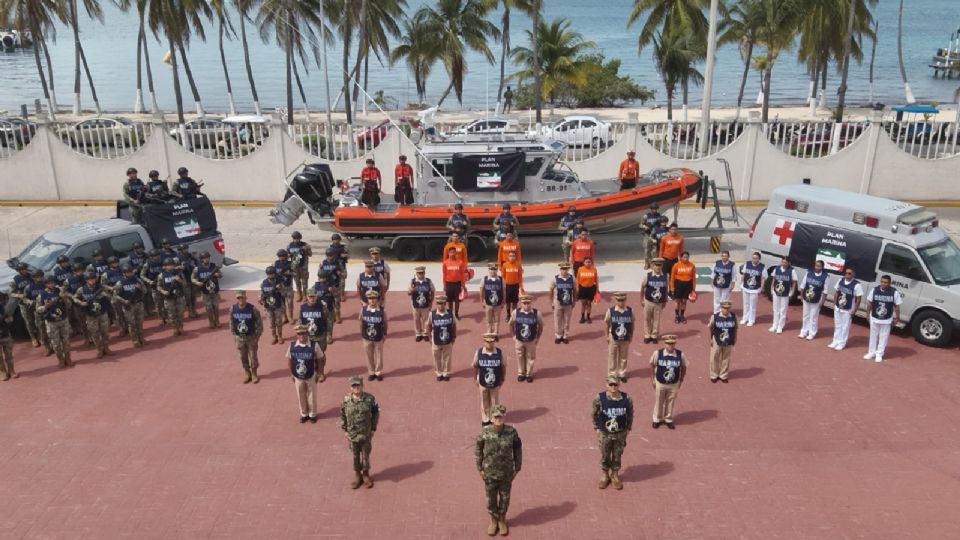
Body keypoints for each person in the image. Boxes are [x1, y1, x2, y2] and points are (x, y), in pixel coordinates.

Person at [474, 404, 522, 536]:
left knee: (505, 498)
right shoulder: (484, 432)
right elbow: (478, 449)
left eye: (500, 417)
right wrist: (479, 468)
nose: (498, 419)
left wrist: (517, 468)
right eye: (496, 417)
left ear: (504, 417)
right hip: (489, 472)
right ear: (491, 418)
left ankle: (502, 519)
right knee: (491, 498)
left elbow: (517, 450)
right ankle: (493, 520)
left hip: (506, 473)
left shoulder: (512, 432)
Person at [592, 376, 634, 490]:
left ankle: (615, 475)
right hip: (605, 434)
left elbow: (630, 414)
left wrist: (628, 428)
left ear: (619, 384)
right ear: (606, 385)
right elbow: (594, 414)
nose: (613, 387)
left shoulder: (626, 399)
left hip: (620, 434)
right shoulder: (599, 398)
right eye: (611, 384)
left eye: (615, 384)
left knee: (617, 455)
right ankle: (605, 475)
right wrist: (596, 427)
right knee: (605, 455)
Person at [340, 375, 380, 489]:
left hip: (365, 433)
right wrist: (345, 430)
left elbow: (376, 413)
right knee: (355, 455)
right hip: (352, 434)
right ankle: (357, 475)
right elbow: (342, 415)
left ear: (362, 386)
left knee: (366, 455)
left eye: (358, 385)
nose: (356, 387)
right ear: (350, 388)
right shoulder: (346, 400)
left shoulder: (370, 399)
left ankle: (366, 474)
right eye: (354, 386)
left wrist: (373, 428)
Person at [650, 335, 687, 429]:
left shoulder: (680, 354)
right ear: (665, 343)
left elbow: (684, 367)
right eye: (668, 343)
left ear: (675, 344)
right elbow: (652, 365)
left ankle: (668, 419)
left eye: (672, 343)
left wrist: (681, 379)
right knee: (659, 401)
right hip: (660, 383)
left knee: (670, 401)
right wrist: (652, 379)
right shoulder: (657, 353)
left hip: (673, 384)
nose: (670, 345)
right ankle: (657, 419)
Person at [288, 324, 322, 423]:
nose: (302, 336)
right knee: (300, 395)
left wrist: (319, 373)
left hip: (311, 375)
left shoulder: (314, 345)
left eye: (304, 334)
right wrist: (291, 373)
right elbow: (289, 360)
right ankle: (304, 414)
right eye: (299, 334)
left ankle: (312, 414)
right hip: (298, 376)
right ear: (297, 335)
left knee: (312, 395)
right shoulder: (292, 346)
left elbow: (320, 359)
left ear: (307, 334)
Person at [864, 275, 902, 363]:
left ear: (889, 283)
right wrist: (867, 314)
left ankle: (879, 354)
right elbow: (870, 303)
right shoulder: (874, 290)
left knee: (883, 337)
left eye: (885, 282)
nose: (883, 284)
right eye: (882, 282)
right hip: (874, 317)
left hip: (887, 319)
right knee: (873, 335)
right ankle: (871, 352)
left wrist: (897, 317)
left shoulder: (894, 292)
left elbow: (897, 306)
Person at [74, 272, 112, 358]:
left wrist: (106, 295)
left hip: (102, 313)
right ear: (86, 280)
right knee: (94, 333)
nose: (92, 280)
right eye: (89, 279)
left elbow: (111, 297)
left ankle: (106, 348)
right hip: (90, 314)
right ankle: (99, 349)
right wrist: (81, 302)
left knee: (105, 332)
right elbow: (75, 298)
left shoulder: (101, 287)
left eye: (93, 278)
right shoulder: (81, 289)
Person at [38, 276, 72, 368]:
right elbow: (38, 309)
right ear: (45, 284)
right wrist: (46, 306)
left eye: (52, 282)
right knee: (56, 343)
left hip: (63, 319)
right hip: (51, 322)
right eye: (49, 283)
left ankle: (68, 358)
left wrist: (64, 298)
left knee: (66, 341)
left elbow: (69, 305)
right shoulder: (42, 294)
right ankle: (60, 359)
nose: (51, 284)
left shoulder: (60, 291)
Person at [230, 290, 263, 384]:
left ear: (245, 297)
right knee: (242, 357)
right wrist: (234, 335)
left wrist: (257, 336)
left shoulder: (252, 309)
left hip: (251, 337)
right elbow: (231, 322)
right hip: (239, 338)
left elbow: (259, 323)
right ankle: (247, 372)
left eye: (242, 297)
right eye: (238, 298)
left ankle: (254, 373)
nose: (240, 299)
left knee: (253, 357)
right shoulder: (233, 309)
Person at [473, 333, 505, 426]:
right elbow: (475, 366)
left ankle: (493, 418)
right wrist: (475, 378)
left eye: (491, 342)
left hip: (495, 382)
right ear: (484, 342)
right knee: (484, 400)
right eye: (487, 342)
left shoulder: (500, 353)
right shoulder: (478, 352)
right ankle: (485, 419)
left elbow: (503, 367)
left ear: (494, 342)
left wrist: (502, 379)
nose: (489, 344)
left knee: (494, 401)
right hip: (482, 382)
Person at [829, 267, 863, 351]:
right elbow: (836, 292)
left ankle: (842, 343)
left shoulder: (857, 285)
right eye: (846, 273)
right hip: (838, 307)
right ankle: (835, 341)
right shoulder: (840, 280)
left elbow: (858, 299)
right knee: (837, 325)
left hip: (848, 309)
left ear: (853, 274)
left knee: (845, 327)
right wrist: (834, 304)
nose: (847, 275)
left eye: (849, 273)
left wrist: (855, 310)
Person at [114, 264, 147, 347]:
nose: (130, 274)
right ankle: (135, 340)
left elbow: (145, 291)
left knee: (139, 322)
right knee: (132, 324)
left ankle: (141, 338)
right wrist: (124, 301)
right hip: (129, 305)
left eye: (131, 272)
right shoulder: (120, 283)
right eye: (128, 272)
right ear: (124, 273)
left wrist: (140, 288)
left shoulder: (137, 280)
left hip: (138, 303)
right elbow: (116, 295)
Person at [512, 294, 542, 383]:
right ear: (521, 303)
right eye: (524, 303)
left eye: (528, 303)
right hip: (519, 340)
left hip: (531, 340)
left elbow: (541, 327)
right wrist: (513, 336)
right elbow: (511, 324)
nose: (526, 305)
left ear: (531, 303)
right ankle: (521, 373)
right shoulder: (515, 313)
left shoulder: (537, 313)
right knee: (520, 356)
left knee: (530, 357)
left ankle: (529, 374)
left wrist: (538, 338)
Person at [604, 292, 634, 382]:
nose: (621, 302)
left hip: (625, 337)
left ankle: (622, 373)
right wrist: (606, 336)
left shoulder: (630, 311)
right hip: (613, 337)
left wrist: (631, 335)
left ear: (625, 300)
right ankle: (612, 374)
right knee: (612, 356)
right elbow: (606, 323)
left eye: (623, 300)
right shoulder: (611, 311)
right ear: (615, 300)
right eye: (619, 300)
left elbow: (632, 324)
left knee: (623, 356)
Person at [707, 300, 737, 383]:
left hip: (728, 340)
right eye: (724, 308)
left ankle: (723, 375)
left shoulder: (733, 317)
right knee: (714, 357)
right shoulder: (715, 317)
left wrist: (735, 338)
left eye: (728, 308)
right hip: (716, 340)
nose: (726, 310)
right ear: (721, 308)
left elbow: (736, 328)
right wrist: (710, 338)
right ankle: (714, 375)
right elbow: (710, 327)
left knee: (726, 358)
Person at [360, 290, 387, 381]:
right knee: (368, 355)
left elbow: (385, 323)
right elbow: (360, 322)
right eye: (370, 298)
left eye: (374, 298)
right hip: (366, 337)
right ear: (367, 299)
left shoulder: (382, 311)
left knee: (379, 355)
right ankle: (371, 372)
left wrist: (385, 334)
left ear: (377, 299)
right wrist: (362, 334)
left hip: (378, 337)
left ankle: (378, 372)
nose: (372, 300)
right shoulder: (363, 310)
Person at [640, 258, 669, 343]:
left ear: (662, 266)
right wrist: (641, 299)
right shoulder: (648, 276)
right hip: (648, 301)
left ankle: (654, 335)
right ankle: (647, 335)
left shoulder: (665, 276)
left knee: (657, 319)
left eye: (659, 265)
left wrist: (665, 300)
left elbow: (665, 289)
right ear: (652, 266)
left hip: (659, 302)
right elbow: (642, 288)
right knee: (647, 318)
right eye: (656, 265)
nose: (658, 267)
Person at [429, 293, 456, 381]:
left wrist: (454, 337)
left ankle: (446, 373)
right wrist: (430, 338)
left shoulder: (450, 313)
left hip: (447, 340)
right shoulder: (432, 314)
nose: (440, 305)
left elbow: (454, 325)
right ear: (436, 304)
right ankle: (439, 373)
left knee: (447, 358)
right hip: (436, 340)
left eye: (442, 303)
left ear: (445, 304)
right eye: (439, 303)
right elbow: (428, 326)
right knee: (436, 357)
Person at [191, 252, 222, 329]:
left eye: (208, 257)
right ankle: (211, 321)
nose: (206, 259)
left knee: (216, 306)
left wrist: (218, 275)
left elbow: (221, 275)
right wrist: (198, 283)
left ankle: (217, 320)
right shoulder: (197, 268)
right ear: (201, 259)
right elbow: (192, 278)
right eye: (205, 258)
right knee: (209, 308)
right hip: (205, 291)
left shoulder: (213, 266)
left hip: (214, 290)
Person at [798, 260, 828, 340]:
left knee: (813, 317)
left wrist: (822, 302)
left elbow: (825, 291)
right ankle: (804, 331)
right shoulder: (808, 273)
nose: (817, 267)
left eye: (819, 266)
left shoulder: (825, 277)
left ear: (822, 267)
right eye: (816, 265)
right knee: (805, 315)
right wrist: (801, 296)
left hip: (816, 300)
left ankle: (812, 333)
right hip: (806, 298)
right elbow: (802, 286)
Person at [158, 258, 187, 336]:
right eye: (168, 265)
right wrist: (163, 291)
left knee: (180, 313)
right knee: (171, 314)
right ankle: (175, 328)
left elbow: (185, 284)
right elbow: (158, 286)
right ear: (165, 266)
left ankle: (181, 327)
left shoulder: (179, 273)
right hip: (169, 298)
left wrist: (179, 280)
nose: (170, 266)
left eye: (172, 265)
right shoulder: (161, 275)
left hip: (179, 296)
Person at [769, 256, 797, 334]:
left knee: (783, 310)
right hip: (776, 292)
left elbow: (794, 282)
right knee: (775, 309)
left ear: (789, 263)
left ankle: (780, 326)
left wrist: (792, 292)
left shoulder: (792, 271)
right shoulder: (776, 268)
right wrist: (772, 289)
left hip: (785, 293)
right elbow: (774, 279)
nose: (783, 264)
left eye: (785, 262)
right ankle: (774, 325)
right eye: (782, 262)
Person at [549, 262, 575, 344]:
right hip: (558, 302)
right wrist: (551, 302)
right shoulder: (555, 279)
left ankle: (565, 336)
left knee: (567, 320)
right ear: (560, 269)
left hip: (568, 303)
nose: (564, 271)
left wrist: (574, 300)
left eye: (566, 269)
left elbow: (575, 290)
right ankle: (558, 335)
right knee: (557, 319)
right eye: (563, 269)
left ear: (568, 269)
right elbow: (551, 291)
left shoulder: (572, 278)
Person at [101, 256, 128, 335]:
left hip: (124, 294)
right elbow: (102, 285)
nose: (115, 264)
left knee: (127, 311)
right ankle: (122, 328)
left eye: (116, 262)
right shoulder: (106, 274)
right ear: (109, 264)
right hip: (114, 296)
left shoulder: (123, 270)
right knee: (118, 313)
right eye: (113, 263)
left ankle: (129, 326)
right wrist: (111, 288)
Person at [260, 266, 285, 344]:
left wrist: (279, 288)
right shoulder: (264, 283)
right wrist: (261, 299)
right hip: (268, 306)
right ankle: (274, 336)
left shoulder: (278, 282)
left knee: (279, 322)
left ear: (274, 274)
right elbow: (262, 292)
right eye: (269, 274)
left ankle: (280, 336)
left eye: (272, 274)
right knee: (271, 323)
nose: (270, 275)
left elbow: (283, 292)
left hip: (277, 305)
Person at [299, 289, 329, 358]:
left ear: (316, 297)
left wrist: (328, 334)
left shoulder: (322, 307)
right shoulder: (303, 308)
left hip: (320, 335)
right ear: (307, 297)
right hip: (308, 337)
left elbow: (327, 320)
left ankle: (321, 369)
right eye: (310, 297)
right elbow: (300, 321)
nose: (312, 299)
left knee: (321, 355)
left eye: (313, 297)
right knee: (309, 356)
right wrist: (301, 335)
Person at [408, 266, 434, 342]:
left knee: (426, 320)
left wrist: (431, 301)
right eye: (419, 273)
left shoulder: (428, 281)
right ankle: (418, 334)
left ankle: (425, 334)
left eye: (422, 273)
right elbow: (408, 292)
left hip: (425, 304)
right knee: (416, 320)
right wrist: (412, 290)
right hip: (415, 305)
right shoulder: (413, 282)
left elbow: (432, 291)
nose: (420, 275)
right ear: (416, 274)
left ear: (424, 273)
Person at [668, 251, 696, 323]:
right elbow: (672, 277)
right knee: (677, 301)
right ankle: (677, 316)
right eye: (684, 257)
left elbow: (693, 278)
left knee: (684, 301)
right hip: (678, 284)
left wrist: (693, 289)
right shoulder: (676, 265)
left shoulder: (692, 265)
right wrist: (672, 287)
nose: (686, 259)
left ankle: (682, 315)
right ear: (681, 257)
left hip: (688, 285)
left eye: (687, 257)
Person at [739, 251, 765, 326]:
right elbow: (743, 274)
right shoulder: (747, 264)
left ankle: (751, 320)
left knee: (752, 305)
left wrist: (761, 288)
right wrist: (741, 284)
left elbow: (763, 278)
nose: (754, 260)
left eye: (756, 258)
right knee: (745, 303)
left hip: (755, 289)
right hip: (745, 287)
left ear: (759, 259)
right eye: (753, 258)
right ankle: (745, 318)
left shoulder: (762, 267)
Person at [140, 249, 166, 323]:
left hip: (164, 285)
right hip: (154, 286)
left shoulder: (163, 262)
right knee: (158, 303)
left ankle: (167, 316)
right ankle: (161, 317)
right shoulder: (147, 264)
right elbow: (142, 275)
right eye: (154, 256)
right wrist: (149, 281)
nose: (156, 257)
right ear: (151, 257)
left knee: (166, 302)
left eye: (157, 255)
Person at [320, 248, 344, 324]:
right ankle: (331, 316)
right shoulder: (323, 263)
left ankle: (338, 316)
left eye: (331, 255)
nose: (329, 257)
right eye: (328, 255)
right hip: (326, 286)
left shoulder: (338, 263)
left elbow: (345, 274)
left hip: (335, 285)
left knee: (337, 302)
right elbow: (319, 274)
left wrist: (340, 273)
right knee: (327, 302)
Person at [441, 247, 466, 319]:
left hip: (457, 284)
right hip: (449, 284)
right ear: (448, 253)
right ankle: (451, 314)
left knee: (457, 300)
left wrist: (463, 285)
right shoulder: (445, 263)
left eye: (453, 252)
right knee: (449, 300)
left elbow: (462, 275)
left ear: (456, 253)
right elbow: (444, 275)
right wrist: (444, 285)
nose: (452, 254)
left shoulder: (460, 262)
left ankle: (456, 313)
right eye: (451, 252)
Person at [175, 244, 199, 319]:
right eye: (184, 249)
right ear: (180, 250)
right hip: (184, 278)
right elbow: (173, 268)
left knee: (193, 295)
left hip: (192, 277)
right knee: (187, 296)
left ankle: (194, 309)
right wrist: (180, 267)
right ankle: (190, 311)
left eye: (186, 248)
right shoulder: (177, 258)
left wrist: (195, 258)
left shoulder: (190, 255)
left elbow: (197, 263)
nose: (186, 250)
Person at [313, 272, 337, 344]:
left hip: (329, 307)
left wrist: (332, 290)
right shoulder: (316, 286)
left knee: (329, 322)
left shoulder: (330, 286)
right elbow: (311, 294)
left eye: (323, 278)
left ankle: (329, 335)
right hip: (319, 308)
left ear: (326, 278)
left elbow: (337, 295)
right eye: (320, 278)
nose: (321, 279)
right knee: (320, 322)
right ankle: (321, 334)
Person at [481, 263, 505, 337]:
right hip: (488, 303)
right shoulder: (484, 279)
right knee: (488, 319)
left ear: (497, 270)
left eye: (494, 269)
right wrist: (482, 301)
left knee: (497, 319)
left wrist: (503, 301)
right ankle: (489, 331)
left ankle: (496, 332)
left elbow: (503, 291)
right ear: (488, 270)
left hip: (498, 303)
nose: (493, 271)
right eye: (491, 269)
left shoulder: (501, 279)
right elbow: (481, 291)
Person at [287, 231, 312, 302]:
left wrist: (305, 250)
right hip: (294, 267)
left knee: (304, 282)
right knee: (297, 282)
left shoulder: (305, 245)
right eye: (294, 238)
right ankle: (299, 294)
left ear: (300, 238)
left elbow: (310, 254)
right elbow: (287, 255)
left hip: (303, 266)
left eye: (297, 238)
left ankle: (304, 295)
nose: (296, 240)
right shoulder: (290, 245)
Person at [500, 250, 523, 322]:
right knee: (508, 302)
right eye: (510, 256)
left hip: (515, 286)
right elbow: (503, 277)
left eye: (513, 256)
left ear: (515, 257)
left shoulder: (518, 265)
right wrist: (502, 286)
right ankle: (508, 314)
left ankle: (514, 315)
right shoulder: (505, 265)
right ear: (508, 257)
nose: (512, 257)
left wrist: (521, 287)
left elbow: (520, 276)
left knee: (515, 302)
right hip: (507, 286)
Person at [274, 249, 295, 324]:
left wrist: (290, 273)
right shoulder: (276, 264)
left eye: (283, 256)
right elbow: (273, 274)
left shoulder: (290, 264)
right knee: (282, 304)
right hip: (280, 287)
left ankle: (290, 317)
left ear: (286, 256)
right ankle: (284, 317)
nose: (281, 258)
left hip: (288, 286)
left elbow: (296, 273)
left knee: (290, 303)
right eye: (280, 256)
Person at [575, 257, 599, 324]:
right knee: (583, 304)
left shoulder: (594, 269)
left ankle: (588, 317)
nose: (588, 263)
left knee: (589, 303)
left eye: (589, 262)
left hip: (591, 289)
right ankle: (582, 317)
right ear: (584, 262)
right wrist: (577, 289)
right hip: (582, 288)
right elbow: (577, 280)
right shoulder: (580, 269)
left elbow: (596, 280)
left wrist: (597, 290)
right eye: (586, 262)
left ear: (591, 263)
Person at [639, 203, 662, 268]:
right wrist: (645, 226)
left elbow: (660, 224)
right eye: (653, 209)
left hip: (655, 235)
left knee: (654, 251)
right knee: (646, 250)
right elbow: (640, 225)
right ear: (651, 209)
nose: (654, 210)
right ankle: (647, 263)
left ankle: (653, 264)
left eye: (656, 209)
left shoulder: (659, 215)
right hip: (647, 234)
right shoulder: (646, 216)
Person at [0, 291, 16, 380]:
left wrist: (7, 318)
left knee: (9, 354)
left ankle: (11, 370)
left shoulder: (3, 308)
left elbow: (10, 319)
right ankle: (2, 372)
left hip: (5, 334)